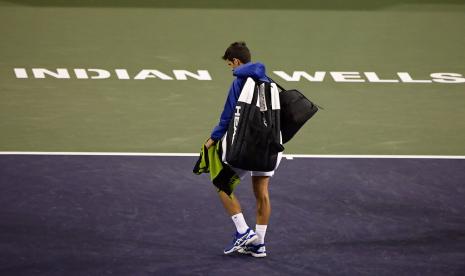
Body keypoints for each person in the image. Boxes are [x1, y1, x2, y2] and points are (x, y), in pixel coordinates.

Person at [204, 41, 281, 258]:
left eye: (230, 65)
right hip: (271, 145)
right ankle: (259, 244)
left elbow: (228, 115)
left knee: (221, 184)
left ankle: (242, 231)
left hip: (246, 146)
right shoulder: (269, 81)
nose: (231, 68)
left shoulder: (240, 81)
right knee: (262, 193)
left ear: (236, 61)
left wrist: (213, 138)